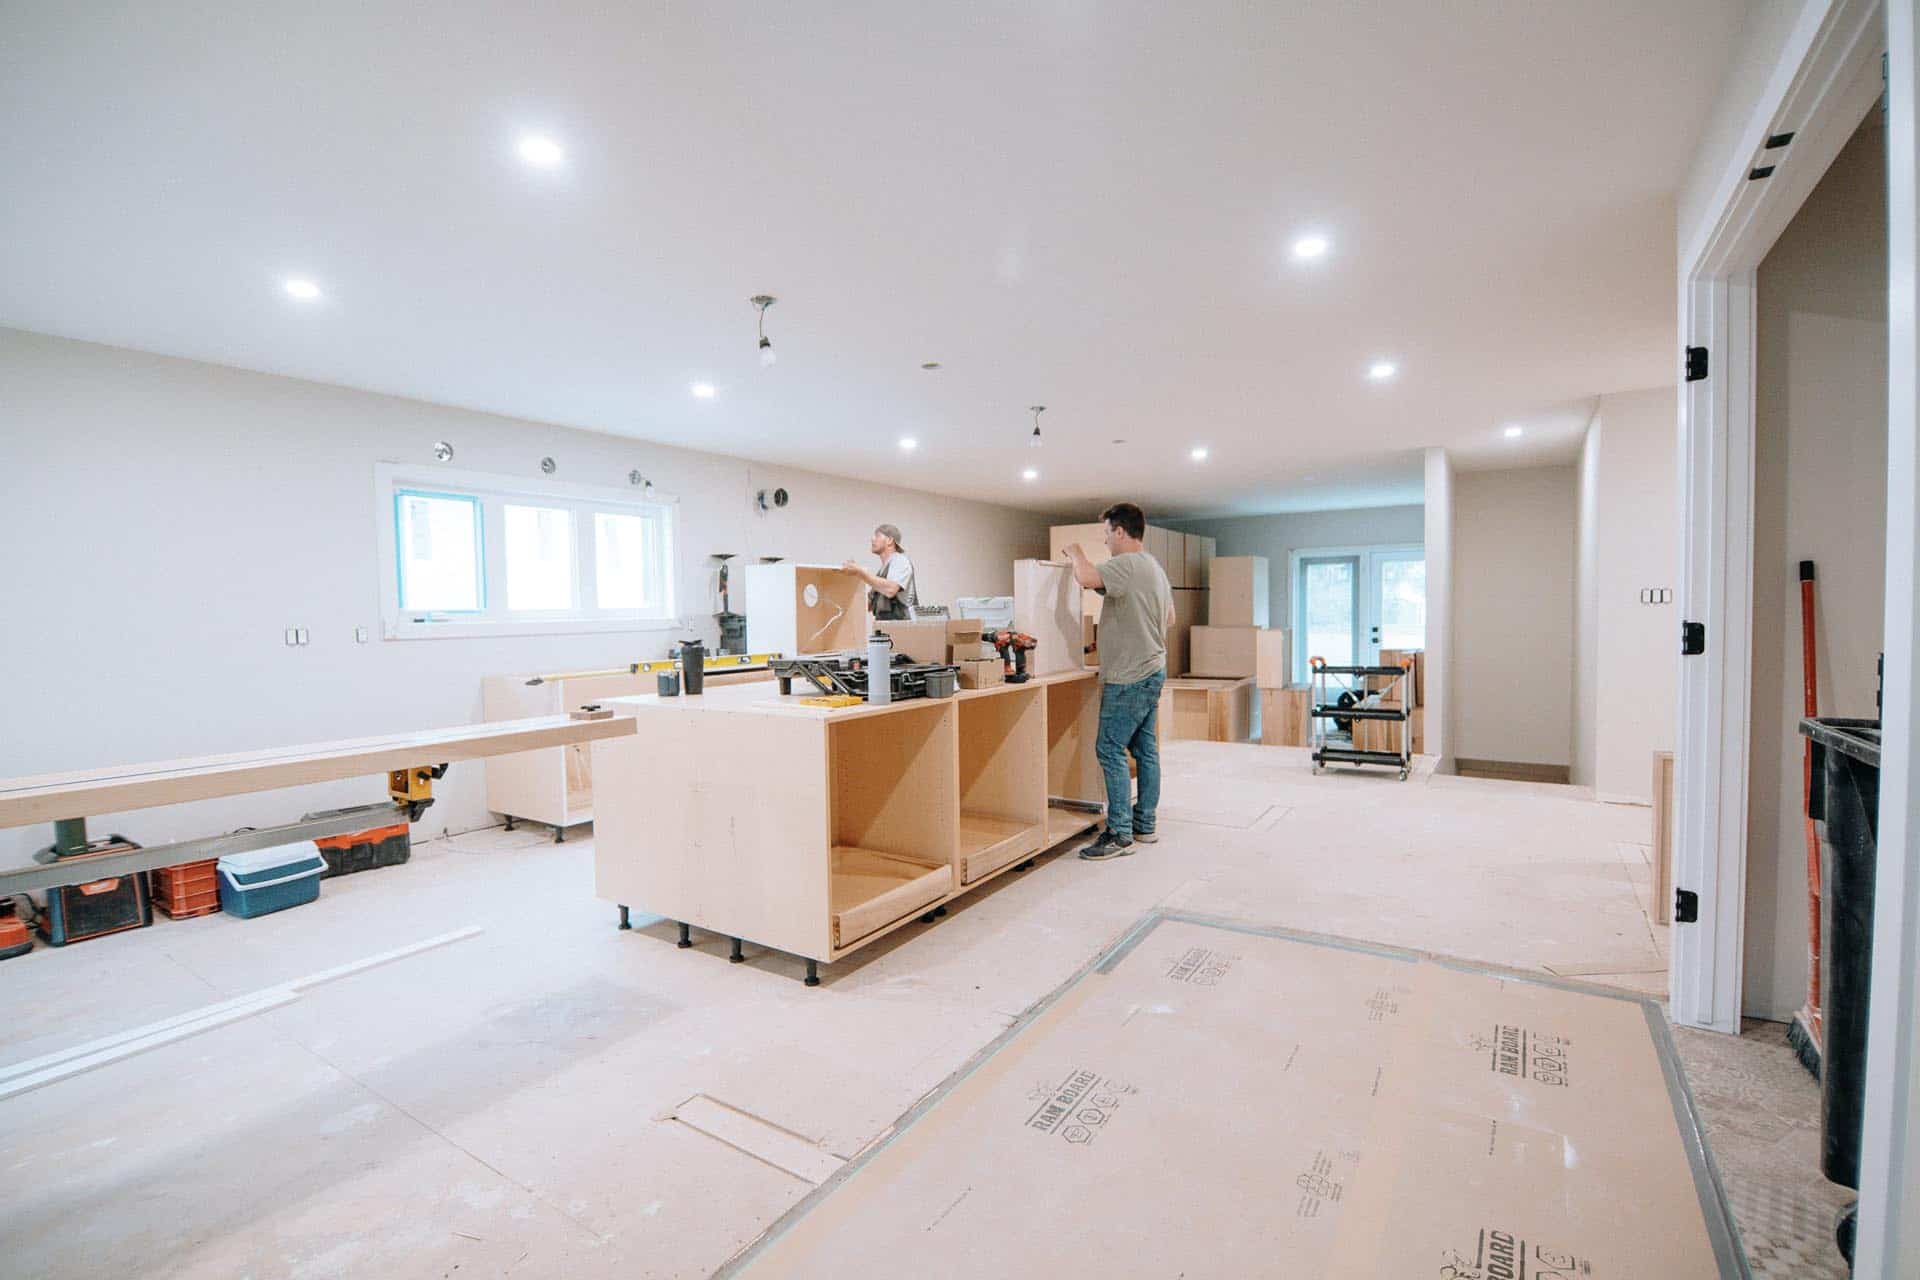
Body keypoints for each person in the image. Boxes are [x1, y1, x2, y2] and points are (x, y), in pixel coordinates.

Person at [1061, 502, 1173, 860]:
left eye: (1107, 533)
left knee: (1109, 749)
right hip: (1152, 668)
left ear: (1121, 532)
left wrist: (1076, 551)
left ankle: (1119, 833)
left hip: (1129, 676)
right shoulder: (1153, 567)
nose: (1106, 540)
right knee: (1145, 750)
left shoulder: (1125, 564)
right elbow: (1168, 617)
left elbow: (1088, 578)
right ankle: (1144, 824)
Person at [841, 523, 918, 622]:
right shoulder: (882, 572)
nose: (872, 539)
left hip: (902, 630)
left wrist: (860, 572)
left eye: (877, 536)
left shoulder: (900, 560)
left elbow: (891, 590)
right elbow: (868, 605)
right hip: (885, 630)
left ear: (890, 540)